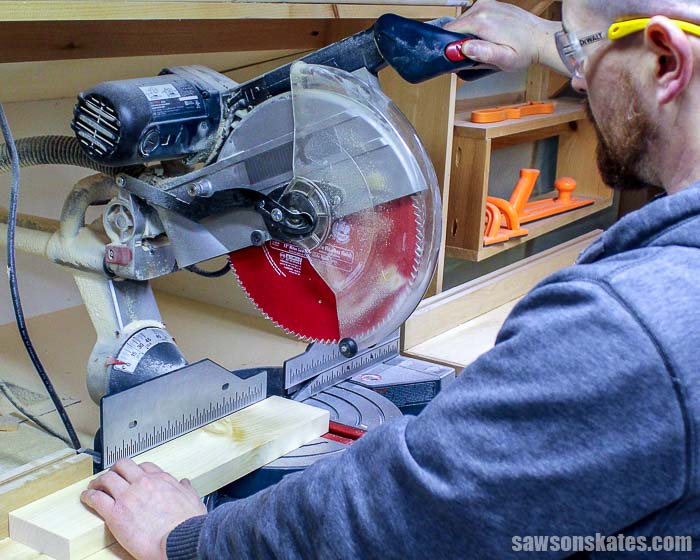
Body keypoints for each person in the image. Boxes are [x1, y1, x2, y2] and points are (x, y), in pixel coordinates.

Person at [80, 0, 700, 558]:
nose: (578, 79)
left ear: (668, 60)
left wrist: (189, 541)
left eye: (581, 54)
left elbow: (412, 515)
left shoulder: (631, 322)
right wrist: (546, 40)